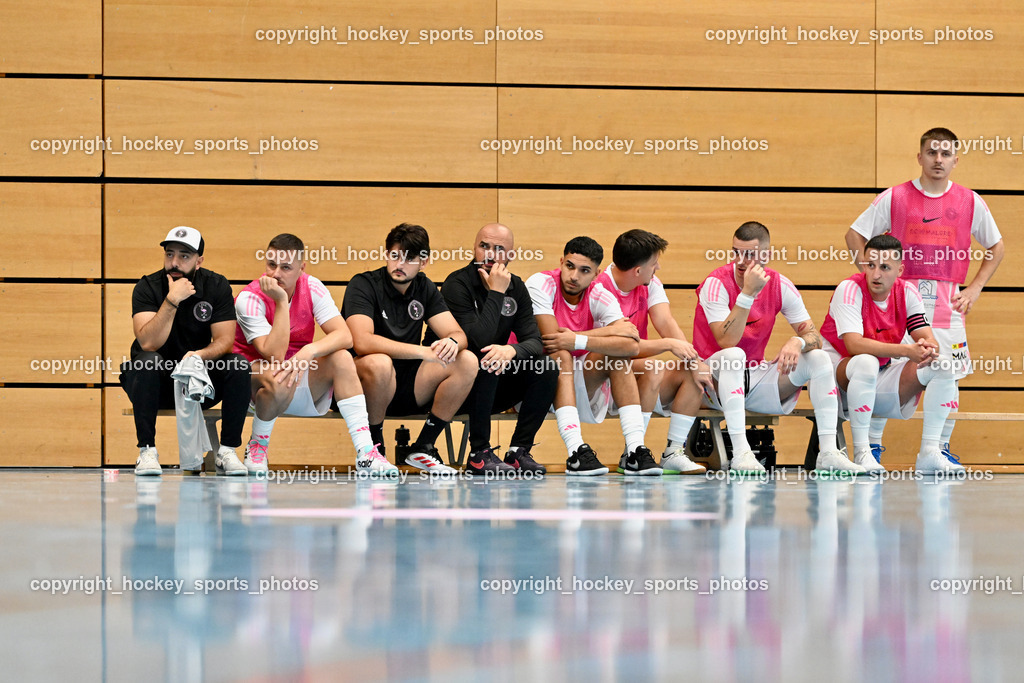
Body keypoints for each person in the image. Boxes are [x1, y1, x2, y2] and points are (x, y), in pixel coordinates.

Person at [845, 127, 1004, 466]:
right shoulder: (895, 197)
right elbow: (854, 234)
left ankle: (937, 449)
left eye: (945, 154)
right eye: (932, 152)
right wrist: (873, 275)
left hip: (948, 301)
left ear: (956, 160)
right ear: (920, 157)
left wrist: (974, 287)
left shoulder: (970, 201)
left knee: (950, 371)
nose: (938, 159)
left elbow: (996, 246)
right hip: (902, 298)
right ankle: (871, 446)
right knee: (887, 370)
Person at [691, 221, 861, 473]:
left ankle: (828, 452)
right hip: (711, 383)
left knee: (819, 358)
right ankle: (741, 453)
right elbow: (726, 341)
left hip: (755, 378)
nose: (740, 261)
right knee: (734, 355)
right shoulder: (715, 283)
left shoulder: (780, 285)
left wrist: (798, 341)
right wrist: (747, 294)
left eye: (749, 254)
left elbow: (814, 335)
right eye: (736, 251)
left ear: (766, 256)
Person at [233, 234, 397, 476]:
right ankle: (257, 445)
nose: (276, 273)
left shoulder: (311, 286)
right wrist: (280, 302)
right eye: (271, 265)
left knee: (341, 357)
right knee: (277, 374)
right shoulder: (249, 297)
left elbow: (345, 336)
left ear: (301, 268)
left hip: (296, 378)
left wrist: (310, 350)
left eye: (286, 267)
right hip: (256, 387)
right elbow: (275, 355)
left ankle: (366, 452)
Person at [821, 234, 963, 473]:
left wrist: (928, 348)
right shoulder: (849, 289)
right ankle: (863, 452)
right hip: (839, 383)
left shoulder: (907, 292)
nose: (875, 274)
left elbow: (927, 338)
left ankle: (929, 452)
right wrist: (907, 351)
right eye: (870, 265)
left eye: (885, 267)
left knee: (944, 365)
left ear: (900, 270)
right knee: (865, 362)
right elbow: (854, 345)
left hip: (877, 377)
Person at [342, 223, 477, 474]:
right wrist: (422, 351)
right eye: (395, 255)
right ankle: (373, 449)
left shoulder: (424, 288)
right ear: (386, 255)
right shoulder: (363, 284)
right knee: (379, 362)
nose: (399, 264)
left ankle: (423, 446)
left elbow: (458, 334)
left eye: (409, 258)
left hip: (408, 386)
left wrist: (453, 342)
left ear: (423, 262)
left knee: (467, 360)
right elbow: (362, 342)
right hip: (364, 386)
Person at [426, 223, 557, 475]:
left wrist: (511, 351)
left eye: (499, 249)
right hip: (450, 385)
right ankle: (479, 453)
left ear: (510, 255)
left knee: (545, 366)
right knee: (484, 359)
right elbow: (476, 340)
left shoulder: (517, 288)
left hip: (490, 385)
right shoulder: (457, 284)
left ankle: (519, 450)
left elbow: (535, 341)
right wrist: (496, 292)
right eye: (483, 246)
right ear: (474, 248)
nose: (489, 254)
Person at [120, 226, 250, 476]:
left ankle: (227, 451)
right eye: (169, 254)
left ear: (199, 261)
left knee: (238, 365)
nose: (175, 262)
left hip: (198, 384)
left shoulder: (216, 285)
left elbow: (225, 340)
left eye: (184, 256)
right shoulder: (147, 286)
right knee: (147, 361)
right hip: (154, 385)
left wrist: (199, 355)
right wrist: (171, 301)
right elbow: (148, 342)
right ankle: (147, 452)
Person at [526, 236, 659, 476]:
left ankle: (634, 450)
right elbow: (552, 339)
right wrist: (609, 331)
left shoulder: (598, 293)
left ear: (596, 274)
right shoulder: (541, 283)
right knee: (562, 356)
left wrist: (577, 339)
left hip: (577, 384)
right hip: (532, 383)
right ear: (561, 262)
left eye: (584, 270)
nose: (574, 276)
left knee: (617, 356)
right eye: (569, 266)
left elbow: (631, 346)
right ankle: (576, 451)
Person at [594, 229, 712, 474]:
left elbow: (666, 322)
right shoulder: (599, 288)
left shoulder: (650, 284)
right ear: (638, 270)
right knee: (653, 366)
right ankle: (634, 452)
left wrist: (695, 362)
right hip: (598, 377)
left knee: (691, 373)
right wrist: (668, 345)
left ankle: (672, 452)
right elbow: (619, 349)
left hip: (634, 371)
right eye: (654, 263)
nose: (657, 267)